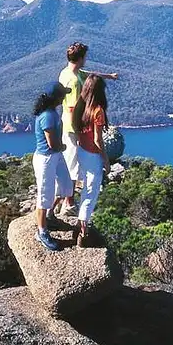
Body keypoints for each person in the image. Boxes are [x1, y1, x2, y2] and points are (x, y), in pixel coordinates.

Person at [58, 42, 118, 214]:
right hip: (72, 127)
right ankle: (68, 203)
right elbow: (74, 108)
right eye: (85, 56)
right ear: (82, 57)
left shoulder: (68, 72)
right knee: (72, 164)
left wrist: (109, 76)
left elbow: (91, 75)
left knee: (73, 162)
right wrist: (80, 130)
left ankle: (67, 200)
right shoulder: (74, 82)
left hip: (68, 124)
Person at [32, 81, 73, 251]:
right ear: (56, 98)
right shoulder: (48, 116)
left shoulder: (52, 112)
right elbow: (52, 144)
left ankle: (50, 214)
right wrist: (63, 147)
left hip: (55, 156)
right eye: (63, 94)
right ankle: (42, 232)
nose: (65, 97)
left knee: (66, 186)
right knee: (44, 196)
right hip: (46, 159)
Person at [71, 75, 110, 247]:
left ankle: (80, 223)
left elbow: (76, 129)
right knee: (91, 192)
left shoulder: (81, 107)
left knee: (85, 188)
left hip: (81, 151)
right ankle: (82, 232)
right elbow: (98, 140)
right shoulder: (98, 111)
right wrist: (106, 161)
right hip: (93, 155)